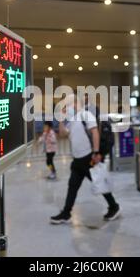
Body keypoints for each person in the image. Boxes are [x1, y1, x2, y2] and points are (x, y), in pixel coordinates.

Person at [50, 95, 120, 224]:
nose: (67, 107)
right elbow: (63, 134)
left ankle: (114, 206)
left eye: (68, 104)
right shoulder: (72, 120)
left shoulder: (86, 115)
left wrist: (97, 152)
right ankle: (66, 213)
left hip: (89, 158)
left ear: (76, 103)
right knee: (72, 186)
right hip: (77, 161)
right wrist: (60, 120)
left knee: (99, 183)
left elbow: (95, 132)